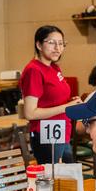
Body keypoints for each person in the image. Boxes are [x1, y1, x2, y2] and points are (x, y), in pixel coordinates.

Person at [19, 25, 82, 164]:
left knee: (67, 180)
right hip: (46, 134)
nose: (57, 48)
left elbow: (53, 98)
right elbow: (30, 113)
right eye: (52, 43)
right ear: (39, 45)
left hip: (62, 131)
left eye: (61, 44)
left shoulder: (53, 67)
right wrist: (67, 107)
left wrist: (70, 101)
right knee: (55, 181)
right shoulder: (33, 70)